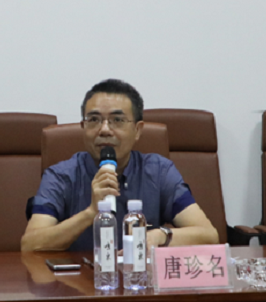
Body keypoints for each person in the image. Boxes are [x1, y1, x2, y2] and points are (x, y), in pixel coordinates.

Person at [21, 79, 218, 251]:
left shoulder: (159, 171)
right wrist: (90, 213)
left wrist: (159, 236)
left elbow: (209, 235)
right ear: (83, 127)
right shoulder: (60, 175)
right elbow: (30, 244)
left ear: (138, 130)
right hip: (81, 279)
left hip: (141, 279)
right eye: (94, 120)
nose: (105, 130)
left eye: (117, 120)